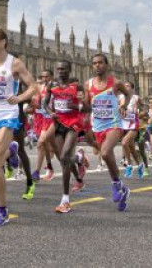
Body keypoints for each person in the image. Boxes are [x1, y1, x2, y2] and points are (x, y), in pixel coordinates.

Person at [0, 28, 38, 226]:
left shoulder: (15, 63)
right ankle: (12, 150)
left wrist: (19, 98)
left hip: (8, 115)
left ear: (4, 42)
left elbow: (33, 87)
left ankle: (1, 209)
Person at [84, 53, 131, 211]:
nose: (97, 65)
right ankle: (121, 187)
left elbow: (128, 94)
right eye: (95, 63)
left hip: (114, 124)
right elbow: (86, 105)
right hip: (98, 126)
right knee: (108, 158)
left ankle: (116, 184)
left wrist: (124, 106)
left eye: (100, 62)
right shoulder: (88, 84)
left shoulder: (116, 83)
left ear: (106, 64)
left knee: (104, 153)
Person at [44, 60, 86, 213]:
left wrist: (77, 106)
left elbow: (87, 106)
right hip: (58, 124)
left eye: (63, 69)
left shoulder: (77, 87)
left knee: (64, 156)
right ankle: (79, 158)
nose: (60, 71)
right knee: (64, 160)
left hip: (73, 124)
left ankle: (65, 199)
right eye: (58, 68)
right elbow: (45, 104)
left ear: (69, 70)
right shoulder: (52, 86)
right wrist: (50, 113)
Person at [119, 82, 143, 179]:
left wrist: (141, 113)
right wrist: (120, 109)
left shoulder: (136, 98)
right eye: (124, 85)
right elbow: (115, 108)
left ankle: (129, 165)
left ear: (132, 88)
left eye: (128, 85)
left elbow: (144, 107)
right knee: (132, 148)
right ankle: (140, 165)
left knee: (124, 143)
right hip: (123, 124)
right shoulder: (120, 97)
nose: (125, 87)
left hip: (134, 124)